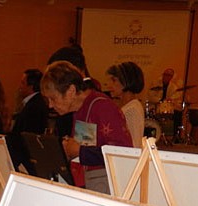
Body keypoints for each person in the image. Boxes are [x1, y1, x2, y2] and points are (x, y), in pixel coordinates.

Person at [41, 60, 133, 192]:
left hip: (107, 188)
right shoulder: (81, 108)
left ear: (71, 91)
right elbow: (87, 147)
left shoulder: (102, 107)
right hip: (89, 184)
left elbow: (124, 153)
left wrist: (79, 151)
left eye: (53, 98)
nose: (50, 105)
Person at [46, 45, 100, 138]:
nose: (50, 105)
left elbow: (84, 142)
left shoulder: (89, 99)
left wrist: (76, 148)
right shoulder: (85, 95)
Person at [8, 68, 49, 172]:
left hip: (27, 159)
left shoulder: (34, 106)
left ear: (31, 86)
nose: (19, 86)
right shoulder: (32, 104)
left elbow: (27, 135)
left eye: (22, 83)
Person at [106, 61, 145, 148]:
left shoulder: (131, 110)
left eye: (114, 80)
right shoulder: (130, 106)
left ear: (125, 82)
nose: (109, 85)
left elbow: (134, 144)